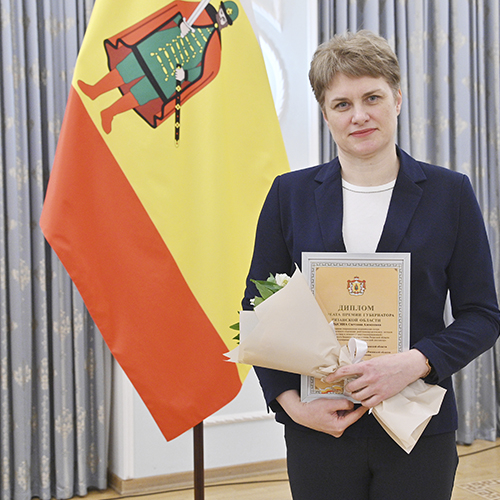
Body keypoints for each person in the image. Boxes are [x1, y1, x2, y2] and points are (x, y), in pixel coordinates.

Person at [243, 30, 500, 499]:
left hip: (418, 426)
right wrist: (292, 406)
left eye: (372, 98)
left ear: (397, 99)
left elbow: (482, 316)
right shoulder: (289, 195)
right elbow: (258, 310)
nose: (358, 115)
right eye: (341, 104)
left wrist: (414, 363)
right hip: (320, 427)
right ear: (325, 114)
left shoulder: (450, 194)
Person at [78, 1, 239, 133]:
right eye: (222, 14)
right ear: (220, 9)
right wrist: (180, 22)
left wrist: (186, 75)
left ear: (228, 24)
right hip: (158, 48)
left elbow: (205, 70)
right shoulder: (198, 9)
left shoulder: (216, 45)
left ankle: (109, 113)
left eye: (226, 19)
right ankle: (95, 90)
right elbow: (174, 10)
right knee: (127, 70)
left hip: (168, 73)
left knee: (140, 94)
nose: (222, 18)